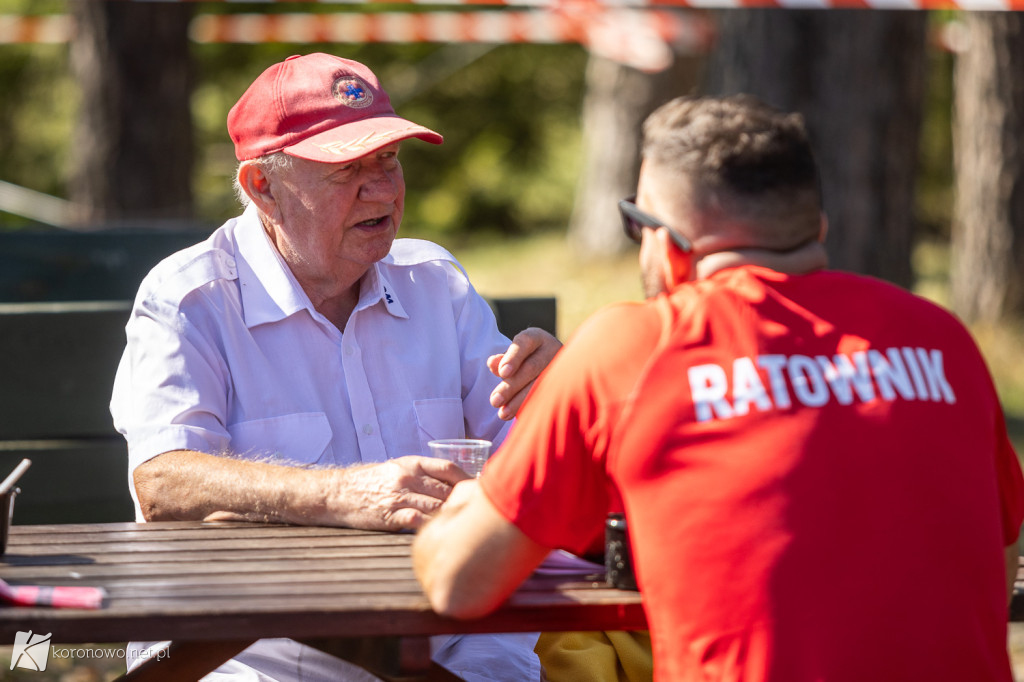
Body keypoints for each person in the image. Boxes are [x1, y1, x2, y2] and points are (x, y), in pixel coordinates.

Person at [413, 94, 1024, 682]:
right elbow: (997, 569)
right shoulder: (943, 339)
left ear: (667, 242)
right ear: (818, 226)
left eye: (635, 221)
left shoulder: (633, 348)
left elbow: (458, 581)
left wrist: (464, 504)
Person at [110, 53, 560, 681]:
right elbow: (163, 484)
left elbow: (526, 457)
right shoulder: (191, 297)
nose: (383, 189)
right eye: (348, 168)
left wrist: (566, 394)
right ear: (262, 187)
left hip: (454, 646)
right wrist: (345, 494)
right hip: (250, 659)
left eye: (389, 160)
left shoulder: (434, 281)